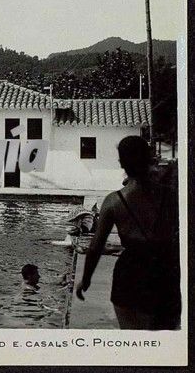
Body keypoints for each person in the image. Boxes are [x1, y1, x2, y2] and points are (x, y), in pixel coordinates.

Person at [75, 136, 180, 330]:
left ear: (121, 163)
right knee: (166, 343)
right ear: (150, 158)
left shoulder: (113, 202)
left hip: (130, 276)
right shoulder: (173, 195)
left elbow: (96, 246)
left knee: (134, 341)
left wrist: (86, 279)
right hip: (166, 275)